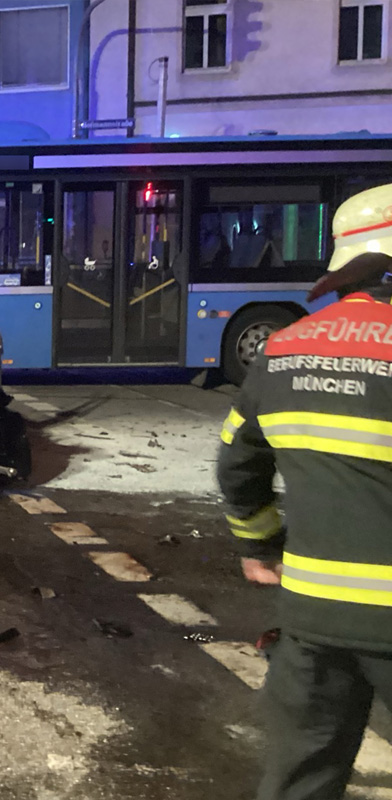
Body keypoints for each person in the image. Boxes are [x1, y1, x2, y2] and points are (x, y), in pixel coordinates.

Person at [216, 182, 392, 800]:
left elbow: (238, 465)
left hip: (312, 613)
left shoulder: (284, 346)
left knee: (300, 778)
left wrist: (261, 545)